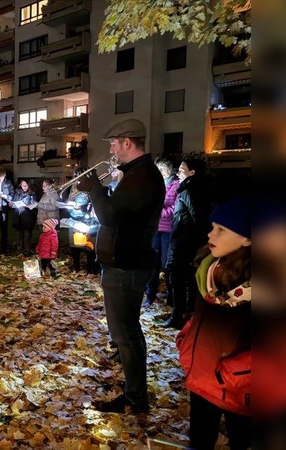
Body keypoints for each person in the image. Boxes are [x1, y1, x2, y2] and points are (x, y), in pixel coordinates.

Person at [77, 118, 165, 414]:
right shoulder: (136, 174)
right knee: (127, 332)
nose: (112, 149)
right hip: (123, 264)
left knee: (124, 334)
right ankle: (135, 391)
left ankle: (135, 398)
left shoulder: (143, 176)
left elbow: (112, 217)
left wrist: (93, 189)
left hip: (126, 267)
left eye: (114, 142)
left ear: (128, 142)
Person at [176, 197, 251, 449]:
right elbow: (201, 318)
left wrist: (231, 373)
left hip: (239, 388)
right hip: (203, 377)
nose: (211, 234)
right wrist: (187, 338)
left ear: (248, 239)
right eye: (213, 226)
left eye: (222, 229)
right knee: (199, 440)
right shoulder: (209, 271)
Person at [163, 158, 213, 328]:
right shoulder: (189, 189)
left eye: (181, 169)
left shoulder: (189, 191)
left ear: (192, 173)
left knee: (178, 279)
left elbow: (197, 218)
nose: (178, 172)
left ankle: (179, 316)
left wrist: (188, 238)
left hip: (184, 243)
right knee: (183, 279)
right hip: (184, 241)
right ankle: (186, 314)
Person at [143, 158, 180, 307]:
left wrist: (158, 211)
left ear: (168, 170)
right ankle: (150, 295)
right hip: (155, 229)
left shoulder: (176, 185)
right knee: (152, 264)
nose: (159, 172)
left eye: (162, 169)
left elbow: (175, 209)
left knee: (167, 266)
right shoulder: (156, 185)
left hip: (168, 230)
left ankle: (171, 298)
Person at [10, 179, 37, 257]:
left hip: (28, 216)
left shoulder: (32, 193)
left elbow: (34, 204)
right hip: (18, 216)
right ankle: (19, 250)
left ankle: (27, 250)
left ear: (28, 185)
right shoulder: (17, 192)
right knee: (19, 234)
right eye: (22, 185)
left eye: (25, 185)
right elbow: (14, 201)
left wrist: (29, 206)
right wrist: (12, 204)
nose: (24, 187)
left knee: (27, 234)